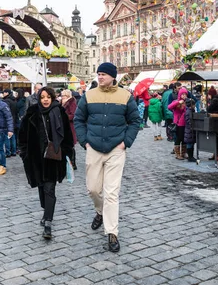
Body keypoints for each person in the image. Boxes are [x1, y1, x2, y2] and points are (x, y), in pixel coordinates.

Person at [74, 62, 142, 252]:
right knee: (93, 189)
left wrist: (125, 142)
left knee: (112, 192)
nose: (100, 77)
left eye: (103, 74)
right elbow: (78, 119)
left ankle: (112, 233)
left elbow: (135, 121)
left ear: (113, 77)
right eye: (99, 74)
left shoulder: (126, 96)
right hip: (94, 147)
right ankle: (99, 211)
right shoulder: (89, 95)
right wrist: (84, 141)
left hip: (115, 149)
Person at [20, 87, 74, 240]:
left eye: (48, 97)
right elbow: (22, 135)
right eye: (42, 97)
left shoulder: (59, 112)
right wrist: (24, 153)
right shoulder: (32, 112)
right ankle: (46, 211)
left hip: (53, 157)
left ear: (52, 98)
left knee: (50, 188)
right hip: (36, 157)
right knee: (42, 188)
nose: (45, 100)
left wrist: (66, 152)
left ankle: (48, 222)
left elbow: (67, 136)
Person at [60, 89, 78, 170]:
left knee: (70, 146)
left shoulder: (72, 103)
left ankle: (72, 163)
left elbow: (73, 115)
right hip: (63, 127)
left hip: (69, 127)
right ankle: (65, 162)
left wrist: (64, 117)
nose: (62, 97)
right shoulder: (62, 103)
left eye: (63, 95)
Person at [169, 87, 188, 160]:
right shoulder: (176, 101)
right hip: (178, 123)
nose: (184, 96)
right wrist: (178, 102)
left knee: (184, 138)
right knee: (179, 138)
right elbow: (169, 107)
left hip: (185, 123)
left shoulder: (187, 102)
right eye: (183, 94)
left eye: (185, 94)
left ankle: (183, 153)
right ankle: (177, 154)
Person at [2, 88, 18, 157]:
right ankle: (14, 151)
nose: (3, 94)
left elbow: (6, 112)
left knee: (7, 136)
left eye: (4, 92)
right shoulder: (14, 100)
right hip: (14, 120)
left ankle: (8, 152)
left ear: (7, 93)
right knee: (13, 136)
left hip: (8, 121)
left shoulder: (6, 101)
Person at [184, 98, 197, 162]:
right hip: (190, 130)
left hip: (190, 130)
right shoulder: (189, 112)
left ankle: (191, 156)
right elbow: (188, 121)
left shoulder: (190, 111)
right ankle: (190, 157)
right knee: (190, 143)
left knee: (191, 143)